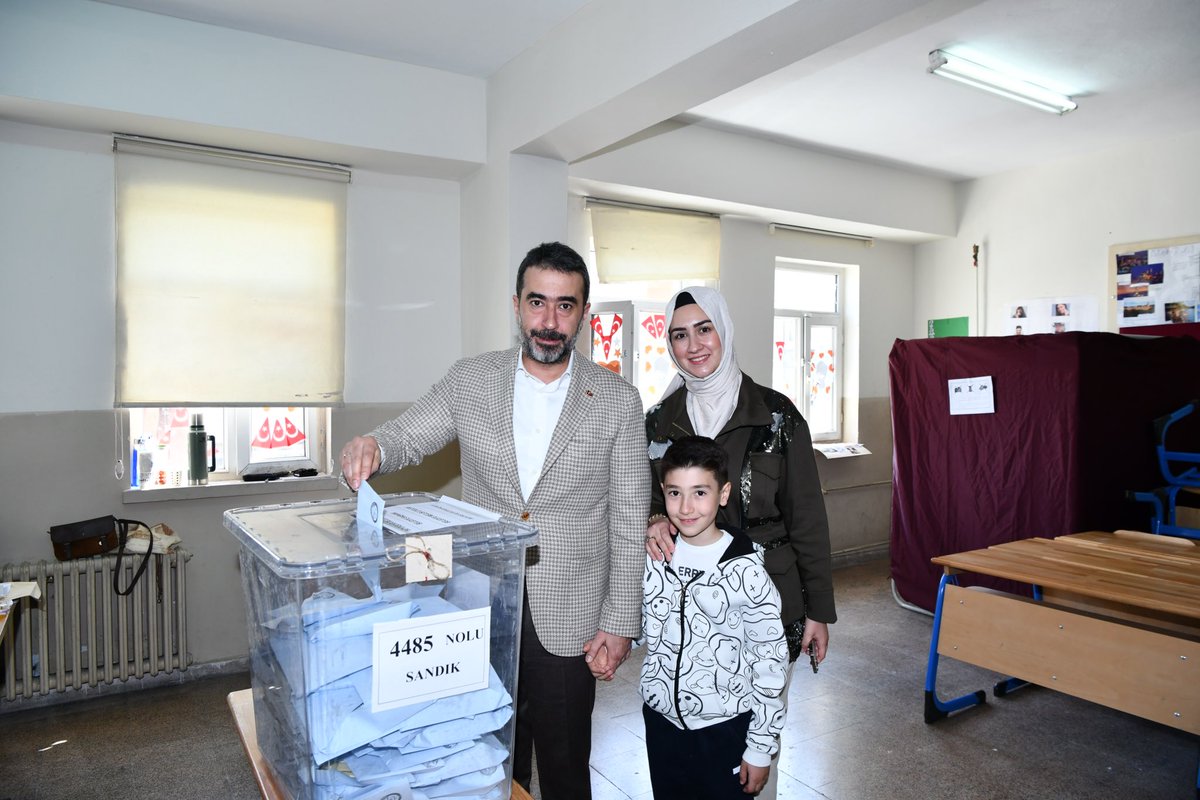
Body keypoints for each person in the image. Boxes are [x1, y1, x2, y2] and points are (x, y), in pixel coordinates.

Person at [340, 241, 648, 800]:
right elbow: (409, 435)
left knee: (565, 765)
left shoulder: (617, 401)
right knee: (483, 754)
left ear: (583, 313)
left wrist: (620, 620)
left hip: (570, 610)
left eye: (565, 306)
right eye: (537, 303)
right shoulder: (470, 380)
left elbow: (629, 521)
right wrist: (372, 447)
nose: (549, 322)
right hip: (475, 599)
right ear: (516, 305)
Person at [644, 286, 835, 800]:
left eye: (704, 328)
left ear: (723, 330)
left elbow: (809, 520)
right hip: (693, 612)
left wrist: (818, 609)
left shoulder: (776, 417)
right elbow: (644, 498)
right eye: (679, 335)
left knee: (754, 753)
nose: (694, 344)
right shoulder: (659, 421)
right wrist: (653, 519)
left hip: (768, 607)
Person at [640, 435, 787, 798]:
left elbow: (770, 660)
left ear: (723, 494)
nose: (686, 507)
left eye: (700, 493)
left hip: (725, 729)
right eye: (675, 493)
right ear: (663, 492)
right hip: (661, 724)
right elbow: (643, 626)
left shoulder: (746, 571)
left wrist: (760, 746)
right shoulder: (655, 558)